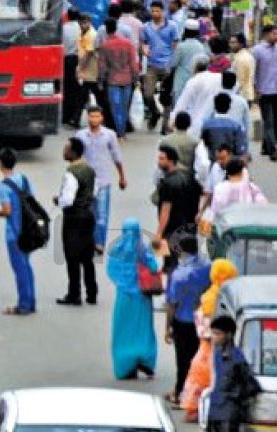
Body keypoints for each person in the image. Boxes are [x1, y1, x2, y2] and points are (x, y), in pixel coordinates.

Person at [182, 260, 240, 422]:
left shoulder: (207, 296)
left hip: (204, 347)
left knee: (199, 378)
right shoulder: (225, 298)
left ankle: (194, 409)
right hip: (217, 347)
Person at [106, 218, 160, 380]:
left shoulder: (116, 250)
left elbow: (111, 271)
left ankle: (125, 364)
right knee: (143, 329)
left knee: (123, 330)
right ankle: (145, 358)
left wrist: (124, 282)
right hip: (142, 298)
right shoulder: (143, 250)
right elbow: (154, 267)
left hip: (124, 298)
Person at [0, 147, 36, 315]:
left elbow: (7, 210)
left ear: (1, 164)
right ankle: (31, 302)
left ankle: (23, 305)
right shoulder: (23, 179)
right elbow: (32, 200)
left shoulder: (3, 187)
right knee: (27, 266)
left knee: (19, 269)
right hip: (29, 231)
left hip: (14, 234)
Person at [164, 237, 210, 409]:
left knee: (183, 360)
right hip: (201, 319)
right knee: (197, 357)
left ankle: (181, 393)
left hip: (183, 321)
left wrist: (167, 327)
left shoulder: (178, 274)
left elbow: (172, 304)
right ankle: (195, 392)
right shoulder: (207, 266)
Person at [75, 105, 126, 252]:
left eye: (97, 116)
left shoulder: (109, 135)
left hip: (103, 181)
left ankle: (99, 243)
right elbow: (75, 158)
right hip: (85, 182)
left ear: (102, 118)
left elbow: (117, 157)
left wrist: (122, 177)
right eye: (91, 116)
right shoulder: (80, 136)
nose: (94, 119)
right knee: (87, 215)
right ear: (87, 117)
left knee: (102, 216)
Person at [56, 137, 98, 305]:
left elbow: (67, 199)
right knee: (87, 257)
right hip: (88, 215)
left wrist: (57, 201)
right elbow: (94, 191)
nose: (63, 151)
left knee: (72, 257)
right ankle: (92, 293)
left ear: (73, 152)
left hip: (74, 217)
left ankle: (74, 294)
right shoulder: (89, 169)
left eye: (66, 148)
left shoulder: (71, 173)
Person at [205, 315, 263, 431]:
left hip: (229, 414)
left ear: (229, 335)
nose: (214, 337)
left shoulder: (237, 359)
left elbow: (251, 386)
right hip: (214, 410)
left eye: (218, 334)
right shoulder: (217, 353)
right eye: (213, 333)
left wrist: (237, 400)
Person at [153, 146, 197, 275]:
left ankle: (172, 290)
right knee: (181, 263)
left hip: (170, 229)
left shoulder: (168, 183)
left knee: (170, 266)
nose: (158, 161)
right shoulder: (185, 178)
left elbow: (165, 210)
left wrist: (158, 234)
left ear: (171, 161)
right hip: (185, 227)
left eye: (162, 159)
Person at [99, 18, 139, 137]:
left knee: (115, 107)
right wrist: (136, 78)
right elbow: (133, 63)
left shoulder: (105, 45)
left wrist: (100, 80)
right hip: (127, 79)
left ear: (106, 29)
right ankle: (122, 130)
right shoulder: (128, 44)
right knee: (124, 106)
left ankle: (120, 132)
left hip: (113, 79)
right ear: (116, 28)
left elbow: (102, 66)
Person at [142, 0, 178, 130]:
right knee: (148, 94)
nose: (154, 13)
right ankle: (155, 112)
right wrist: (144, 49)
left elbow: (175, 45)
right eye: (152, 11)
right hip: (152, 65)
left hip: (167, 65)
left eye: (157, 10)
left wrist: (173, 63)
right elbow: (145, 43)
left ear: (162, 11)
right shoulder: (146, 27)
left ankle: (166, 125)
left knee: (166, 97)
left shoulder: (172, 26)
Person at [170, 21, 208, 110]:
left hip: (181, 80)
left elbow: (173, 63)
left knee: (179, 105)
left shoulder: (181, 46)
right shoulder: (201, 46)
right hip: (196, 78)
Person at [200, 93, 248, 159]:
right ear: (229, 107)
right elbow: (240, 149)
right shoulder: (236, 126)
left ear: (214, 106)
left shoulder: (207, 125)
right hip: (230, 164)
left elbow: (203, 147)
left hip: (211, 162)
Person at [255, 25, 277, 160]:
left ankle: (265, 146)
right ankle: (273, 148)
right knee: (269, 121)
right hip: (264, 91)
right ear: (266, 34)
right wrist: (255, 88)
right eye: (274, 34)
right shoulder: (257, 50)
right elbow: (253, 71)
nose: (276, 36)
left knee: (275, 121)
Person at [77, 14, 102, 113]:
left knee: (96, 95)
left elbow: (88, 53)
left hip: (92, 69)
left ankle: (105, 116)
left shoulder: (92, 34)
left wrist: (80, 67)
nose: (83, 25)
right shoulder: (82, 33)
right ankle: (76, 118)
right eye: (81, 23)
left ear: (89, 23)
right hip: (87, 70)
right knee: (83, 96)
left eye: (85, 23)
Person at [63, 9, 83, 127]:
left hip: (66, 60)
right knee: (77, 89)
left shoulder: (63, 28)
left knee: (67, 88)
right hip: (78, 59)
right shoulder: (81, 29)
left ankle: (66, 115)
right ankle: (74, 115)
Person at [229, 34, 255, 105]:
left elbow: (240, 80)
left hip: (241, 95)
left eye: (234, 43)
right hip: (247, 94)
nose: (231, 45)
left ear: (241, 44)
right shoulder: (247, 55)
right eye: (230, 42)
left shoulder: (241, 59)